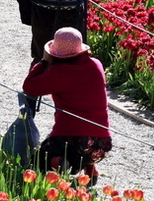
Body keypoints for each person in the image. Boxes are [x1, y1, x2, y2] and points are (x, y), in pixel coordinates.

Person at [22, 27, 112, 185]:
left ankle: (59, 162)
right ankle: (90, 169)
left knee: (38, 162)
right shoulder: (96, 64)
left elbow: (30, 87)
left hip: (70, 140)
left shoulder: (59, 72)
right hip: (101, 142)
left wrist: (43, 62)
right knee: (88, 138)